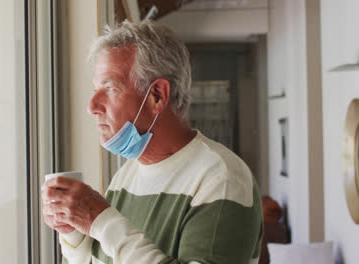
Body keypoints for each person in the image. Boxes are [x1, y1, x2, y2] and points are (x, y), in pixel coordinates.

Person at [41, 20, 263, 264]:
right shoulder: (126, 176)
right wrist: (73, 231)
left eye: (110, 88)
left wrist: (101, 221)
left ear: (157, 96)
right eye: (96, 90)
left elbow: (114, 236)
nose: (91, 106)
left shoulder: (222, 179)